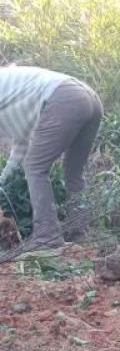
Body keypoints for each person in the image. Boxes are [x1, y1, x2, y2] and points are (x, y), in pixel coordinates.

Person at [0, 65, 103, 259]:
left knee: (35, 168)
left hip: (64, 98)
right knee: (73, 174)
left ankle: (47, 237)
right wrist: (2, 188)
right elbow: (21, 150)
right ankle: (83, 232)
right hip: (87, 98)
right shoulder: (17, 100)